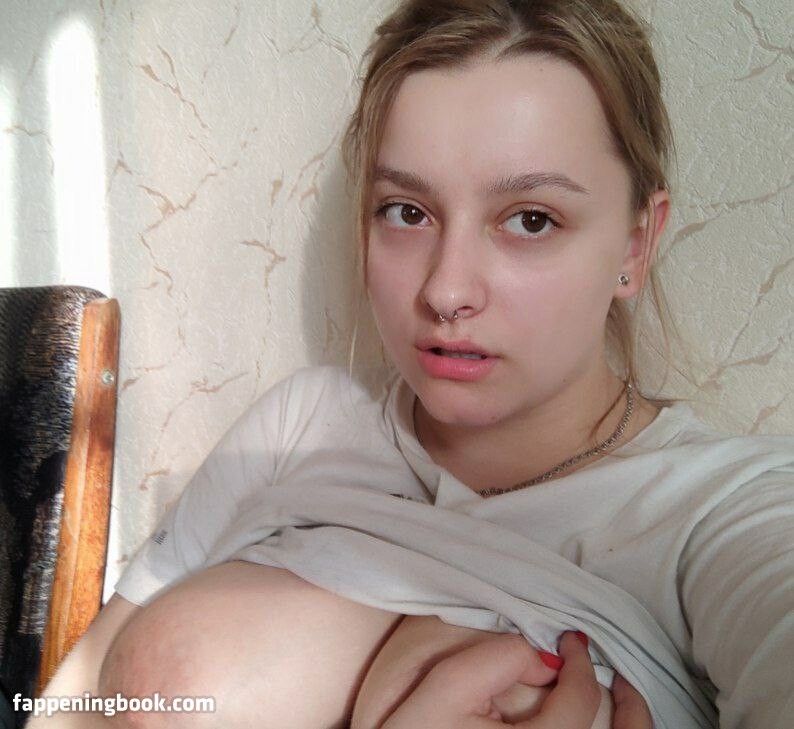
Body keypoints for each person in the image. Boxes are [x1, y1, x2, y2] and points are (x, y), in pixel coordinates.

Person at [28, 0, 794, 728]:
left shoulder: (724, 515)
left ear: (635, 243)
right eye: (408, 211)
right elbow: (73, 696)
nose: (446, 290)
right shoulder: (305, 424)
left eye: (531, 219)